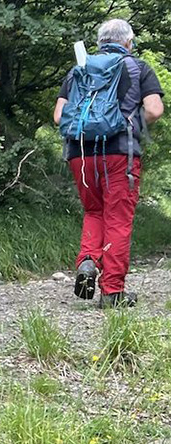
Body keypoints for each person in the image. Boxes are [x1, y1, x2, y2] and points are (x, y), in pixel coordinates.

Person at [54, 19, 164, 308]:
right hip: (119, 154)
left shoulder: (79, 69)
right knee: (117, 217)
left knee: (94, 210)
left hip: (80, 153)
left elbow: (59, 116)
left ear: (100, 42)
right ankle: (113, 291)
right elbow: (154, 109)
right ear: (128, 42)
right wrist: (130, 126)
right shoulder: (138, 67)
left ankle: (88, 260)